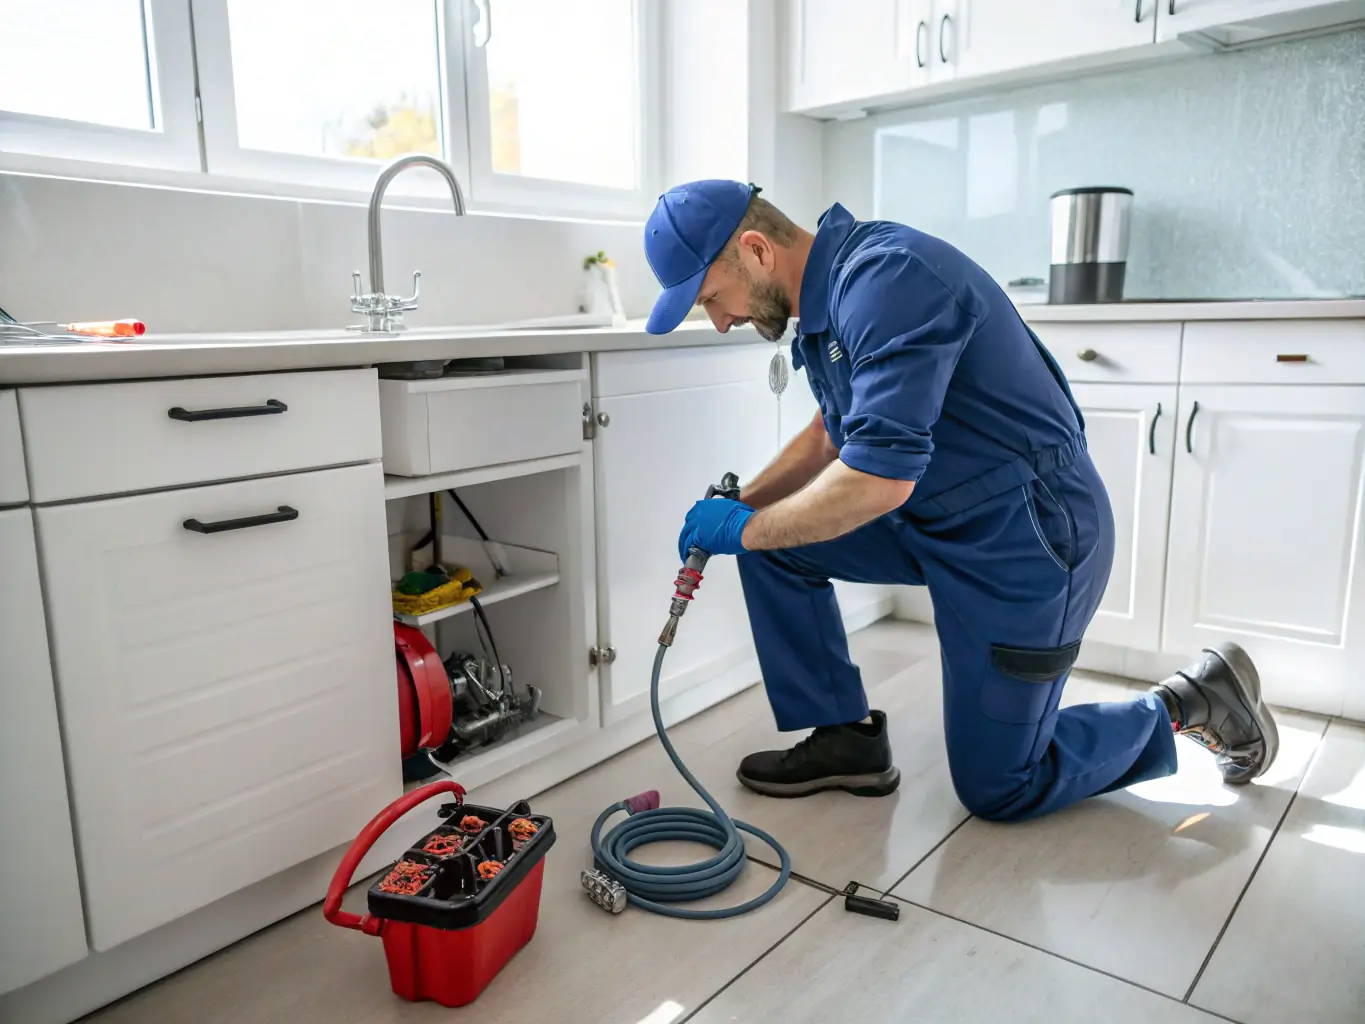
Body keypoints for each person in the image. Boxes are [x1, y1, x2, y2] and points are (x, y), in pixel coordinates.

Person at [641, 179, 1279, 821]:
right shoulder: (827, 306)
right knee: (771, 539)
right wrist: (741, 507)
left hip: (1026, 536)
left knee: (1000, 788)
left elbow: (877, 479)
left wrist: (743, 529)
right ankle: (847, 742)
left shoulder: (887, 279)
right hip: (933, 521)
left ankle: (1190, 701)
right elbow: (830, 435)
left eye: (711, 298)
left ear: (755, 250)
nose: (720, 320)